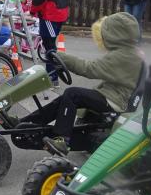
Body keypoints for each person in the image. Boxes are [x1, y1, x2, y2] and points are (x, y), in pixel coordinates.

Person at [18, 12, 143, 154]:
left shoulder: (123, 56)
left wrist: (60, 56)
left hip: (115, 100)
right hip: (111, 95)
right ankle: (26, 123)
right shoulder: (128, 52)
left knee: (72, 94)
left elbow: (88, 68)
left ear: (116, 35)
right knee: (63, 100)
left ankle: (62, 140)